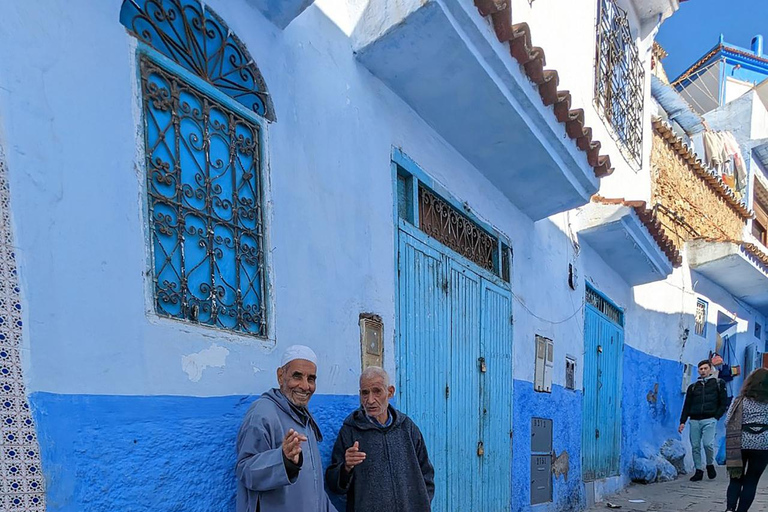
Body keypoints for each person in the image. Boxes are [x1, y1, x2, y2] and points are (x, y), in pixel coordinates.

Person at [236, 345, 337, 512]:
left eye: (311, 379)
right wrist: (283, 460)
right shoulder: (262, 413)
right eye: (297, 376)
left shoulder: (304, 418)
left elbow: (314, 488)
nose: (305, 386)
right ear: (280, 376)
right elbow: (245, 470)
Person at [325, 366, 434, 512]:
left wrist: (420, 503)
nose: (370, 400)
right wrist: (346, 467)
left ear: (390, 392)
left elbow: (426, 473)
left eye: (377, 391)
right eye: (365, 393)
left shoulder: (407, 428)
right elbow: (334, 483)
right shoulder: (350, 430)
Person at [724, 368, 768, 512]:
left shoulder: (740, 400)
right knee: (752, 481)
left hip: (740, 443)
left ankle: (730, 509)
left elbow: (727, 421)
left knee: (735, 479)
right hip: (763, 444)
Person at [679, 359, 728, 481]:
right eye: (701, 369)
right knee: (695, 446)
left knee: (708, 444)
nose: (703, 371)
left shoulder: (718, 383)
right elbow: (687, 405)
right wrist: (682, 421)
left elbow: (724, 403)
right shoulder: (693, 387)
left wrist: (716, 416)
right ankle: (698, 470)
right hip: (694, 420)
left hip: (710, 419)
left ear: (710, 369)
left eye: (705, 368)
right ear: (698, 371)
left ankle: (710, 464)